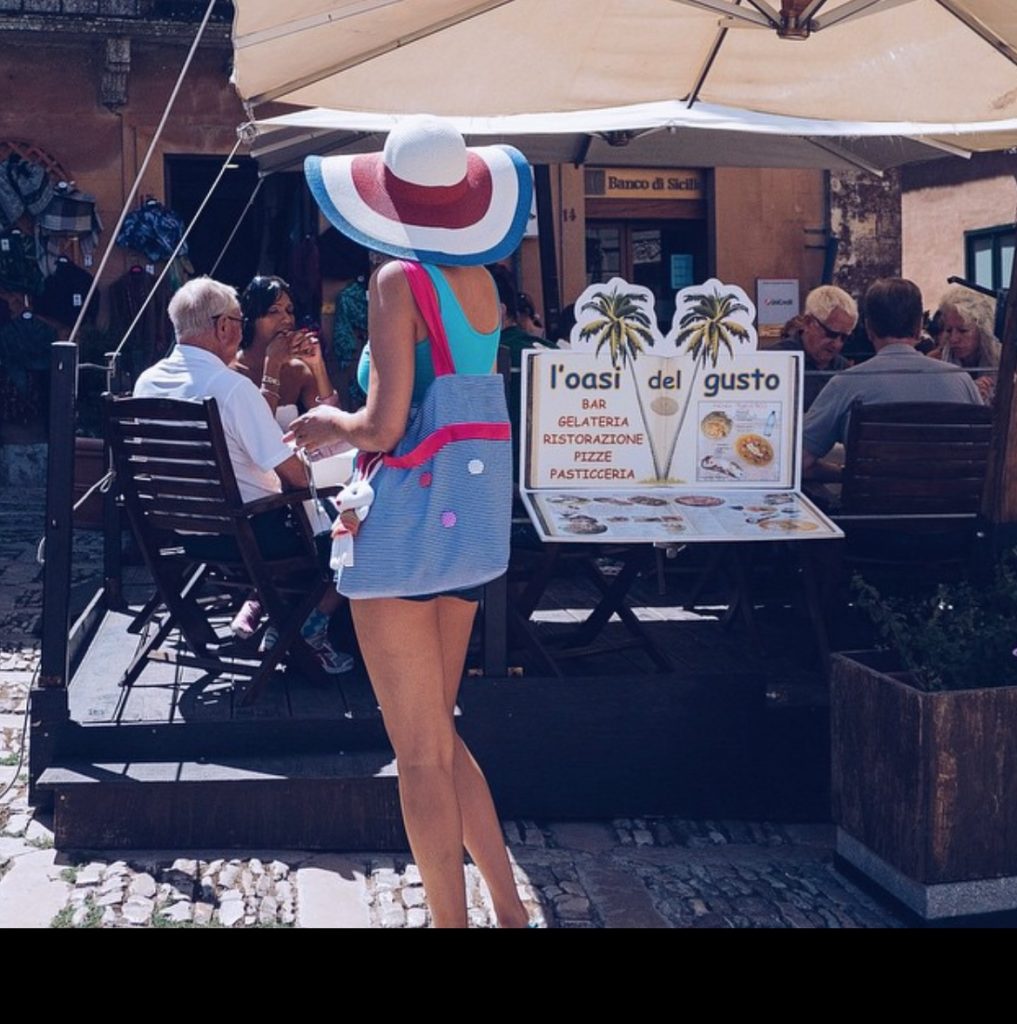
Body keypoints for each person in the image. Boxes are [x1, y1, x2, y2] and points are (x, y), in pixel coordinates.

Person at [288, 116, 534, 928]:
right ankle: (505, 909)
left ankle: (448, 922)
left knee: (418, 753)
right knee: (441, 734)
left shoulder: (399, 281)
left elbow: (386, 427)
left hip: (400, 532)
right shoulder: (483, 285)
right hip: (463, 537)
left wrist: (329, 417)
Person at [132, 276, 353, 674]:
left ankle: (275, 618)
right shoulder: (231, 388)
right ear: (223, 327)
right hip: (253, 533)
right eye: (237, 318)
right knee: (354, 530)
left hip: (182, 534)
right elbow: (297, 478)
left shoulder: (145, 383)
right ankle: (307, 628)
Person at [226, 274, 349, 649]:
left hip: (305, 480)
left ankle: (264, 603)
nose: (285, 319)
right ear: (251, 318)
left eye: (290, 310)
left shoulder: (298, 369)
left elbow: (332, 425)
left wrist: (317, 366)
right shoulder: (231, 372)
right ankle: (284, 610)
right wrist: (271, 370)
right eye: (273, 311)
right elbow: (256, 434)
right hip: (264, 491)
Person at [802, 277, 983, 482]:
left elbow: (800, 463)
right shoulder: (961, 381)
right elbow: (985, 458)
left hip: (872, 511)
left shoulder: (846, 383)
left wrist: (848, 474)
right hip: (954, 510)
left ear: (869, 328)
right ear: (919, 326)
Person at [776, 285, 857, 408]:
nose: (837, 344)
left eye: (844, 338)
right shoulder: (775, 361)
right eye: (831, 334)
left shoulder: (843, 369)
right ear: (808, 323)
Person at [930, 283, 1001, 404]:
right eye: (948, 330)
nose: (953, 339)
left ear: (983, 331)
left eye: (963, 331)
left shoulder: (1005, 362)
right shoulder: (935, 362)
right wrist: (969, 394)